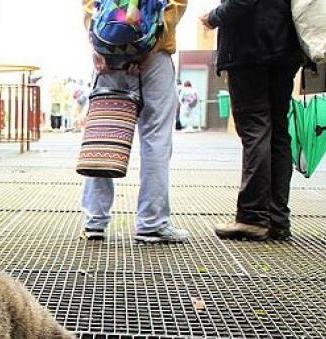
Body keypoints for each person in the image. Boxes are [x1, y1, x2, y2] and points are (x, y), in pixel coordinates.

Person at [81, 0, 190, 243]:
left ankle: (95, 221)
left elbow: (90, 5)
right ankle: (152, 223)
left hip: (107, 56)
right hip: (153, 56)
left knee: (103, 133)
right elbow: (175, 6)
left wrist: (98, 43)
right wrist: (148, 46)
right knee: (156, 139)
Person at [202, 0, 304, 241]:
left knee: (255, 129)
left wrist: (213, 16)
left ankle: (253, 217)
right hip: (284, 46)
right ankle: (277, 219)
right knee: (278, 133)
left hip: (250, 49)